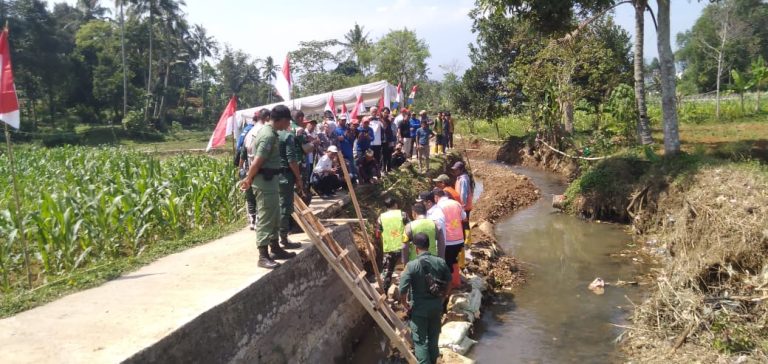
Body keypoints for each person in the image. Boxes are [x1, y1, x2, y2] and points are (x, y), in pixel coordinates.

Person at [239, 105, 297, 269]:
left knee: (275, 215)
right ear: (282, 120)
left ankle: (275, 248)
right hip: (264, 182)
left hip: (271, 180)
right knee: (265, 218)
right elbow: (257, 161)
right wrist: (248, 179)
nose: (288, 125)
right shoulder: (268, 136)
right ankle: (263, 256)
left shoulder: (272, 133)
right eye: (287, 122)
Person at [399, 232, 451, 364]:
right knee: (433, 339)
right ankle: (434, 360)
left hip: (419, 310)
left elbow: (402, 290)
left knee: (421, 342)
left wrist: (405, 305)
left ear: (416, 248)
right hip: (436, 308)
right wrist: (444, 297)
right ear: (429, 245)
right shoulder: (440, 262)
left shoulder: (411, 266)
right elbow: (449, 281)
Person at [277, 123, 306, 251]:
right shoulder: (287, 136)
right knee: (285, 207)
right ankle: (283, 239)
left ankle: (277, 238)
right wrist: (298, 178)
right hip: (285, 176)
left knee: (277, 206)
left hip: (273, 176)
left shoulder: (273, 134)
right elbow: (291, 159)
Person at [238, 109, 269, 230]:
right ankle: (259, 221)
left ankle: (252, 221)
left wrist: (241, 169)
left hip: (247, 168)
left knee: (250, 196)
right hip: (258, 170)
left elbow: (242, 153)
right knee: (259, 197)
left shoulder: (248, 132)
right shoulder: (263, 131)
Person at [433, 188, 467, 287]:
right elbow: (464, 217)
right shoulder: (456, 203)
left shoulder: (439, 207)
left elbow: (438, 224)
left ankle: (449, 286)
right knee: (454, 260)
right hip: (459, 238)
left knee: (447, 263)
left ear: (436, 197)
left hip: (448, 240)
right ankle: (456, 282)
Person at [377, 197, 409, 291]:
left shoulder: (381, 217)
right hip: (403, 247)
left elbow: (378, 234)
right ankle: (407, 293)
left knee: (388, 272)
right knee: (406, 270)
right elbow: (410, 228)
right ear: (395, 204)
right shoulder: (403, 214)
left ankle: (384, 293)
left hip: (389, 249)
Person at [381, 107, 395, 173]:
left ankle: (389, 169)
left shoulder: (388, 121)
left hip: (389, 140)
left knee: (389, 155)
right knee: (384, 155)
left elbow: (390, 131)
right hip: (383, 141)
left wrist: (392, 141)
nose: (386, 114)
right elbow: (384, 129)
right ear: (382, 112)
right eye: (385, 112)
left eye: (388, 113)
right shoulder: (380, 120)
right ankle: (383, 169)